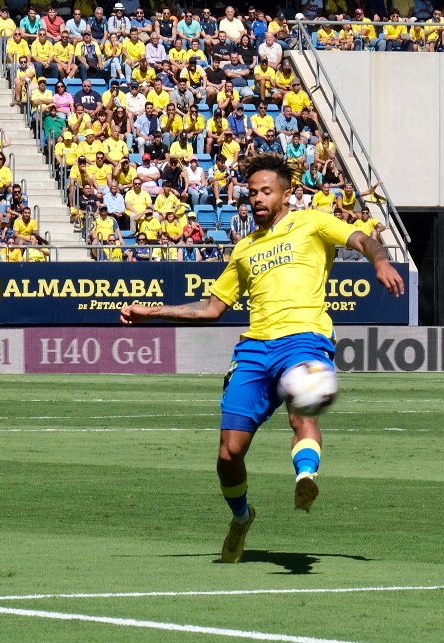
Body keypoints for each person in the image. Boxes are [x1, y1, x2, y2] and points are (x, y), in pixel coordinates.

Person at [120, 154, 404, 563]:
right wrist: (153, 311)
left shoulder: (312, 222)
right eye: (252, 193)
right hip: (253, 350)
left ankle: (306, 476)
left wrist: (378, 259)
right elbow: (211, 309)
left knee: (303, 411)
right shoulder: (245, 248)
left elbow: (362, 239)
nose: (257, 198)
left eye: (266, 191)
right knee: (228, 453)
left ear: (286, 195)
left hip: (303, 338)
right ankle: (242, 516)